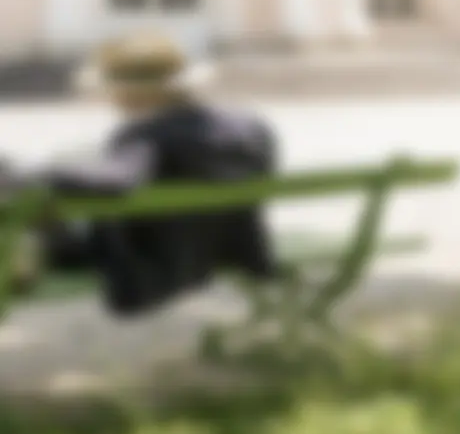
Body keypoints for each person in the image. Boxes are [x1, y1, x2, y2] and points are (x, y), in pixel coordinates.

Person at [13, 31, 278, 315]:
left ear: (131, 93)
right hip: (230, 252)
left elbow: (116, 182)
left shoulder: (149, 135)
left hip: (159, 265)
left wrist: (31, 175)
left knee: (36, 196)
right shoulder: (250, 128)